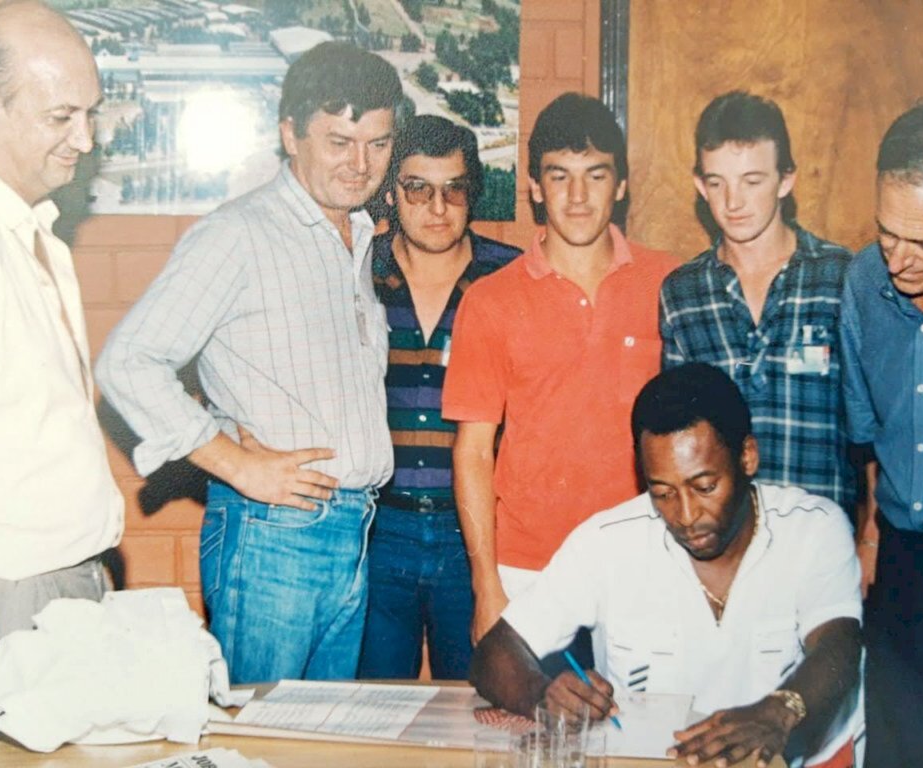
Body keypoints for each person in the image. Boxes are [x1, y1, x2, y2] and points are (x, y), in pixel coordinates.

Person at [96, 42, 403, 684]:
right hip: (274, 538)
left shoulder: (358, 235)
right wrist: (235, 464)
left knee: (319, 747)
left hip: (353, 532)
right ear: (290, 134)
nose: (360, 164)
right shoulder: (239, 234)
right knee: (256, 742)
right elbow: (128, 363)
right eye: (339, 141)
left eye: (377, 143)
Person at [471, 363, 863, 768]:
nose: (687, 514)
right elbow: (495, 652)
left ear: (747, 456)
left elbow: (839, 646)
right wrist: (541, 695)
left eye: (705, 487)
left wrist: (780, 712)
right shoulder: (607, 541)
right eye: (663, 493)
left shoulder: (813, 529)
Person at [0, 1, 125, 762]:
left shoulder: (28, 227)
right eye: (60, 116)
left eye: (90, 114)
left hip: (60, 592)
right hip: (4, 598)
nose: (83, 140)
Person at [441, 93, 677, 669]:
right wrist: (487, 584)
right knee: (530, 746)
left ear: (620, 185)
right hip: (527, 571)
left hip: (647, 562)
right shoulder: (489, 301)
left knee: (641, 744)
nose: (577, 197)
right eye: (559, 176)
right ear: (535, 187)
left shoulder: (670, 283)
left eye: (595, 175)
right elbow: (472, 452)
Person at [359, 115, 520, 680]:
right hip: (378, 536)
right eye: (417, 188)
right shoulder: (358, 272)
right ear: (389, 191)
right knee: (372, 716)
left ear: (472, 192)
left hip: (473, 536)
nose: (437, 207)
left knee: (481, 709)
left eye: (453, 189)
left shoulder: (511, 279)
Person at [659, 91, 856, 526]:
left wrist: (871, 538)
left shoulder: (842, 277)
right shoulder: (682, 293)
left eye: (752, 181)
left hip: (821, 536)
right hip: (724, 542)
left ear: (786, 179)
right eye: (717, 182)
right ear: (699, 185)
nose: (733, 202)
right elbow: (677, 435)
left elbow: (879, 426)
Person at [839, 104, 923, 767]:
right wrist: (870, 533)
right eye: (888, 233)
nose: (900, 260)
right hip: (902, 569)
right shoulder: (862, 285)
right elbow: (866, 436)